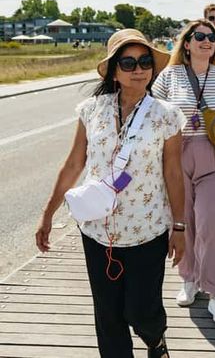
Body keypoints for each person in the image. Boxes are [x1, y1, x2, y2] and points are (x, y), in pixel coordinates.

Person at [35, 29, 185, 358]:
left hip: (148, 231)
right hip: (97, 232)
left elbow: (174, 173)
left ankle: (155, 338)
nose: (138, 69)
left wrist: (179, 226)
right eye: (128, 62)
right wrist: (48, 215)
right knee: (108, 317)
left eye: (145, 61)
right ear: (115, 70)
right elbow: (74, 163)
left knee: (142, 312)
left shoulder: (167, 116)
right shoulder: (91, 110)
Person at [151, 19, 215, 324]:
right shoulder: (169, 76)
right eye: (200, 36)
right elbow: (152, 114)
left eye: (212, 37)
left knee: (212, 223)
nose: (207, 41)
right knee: (185, 223)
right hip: (178, 157)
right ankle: (189, 278)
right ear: (187, 42)